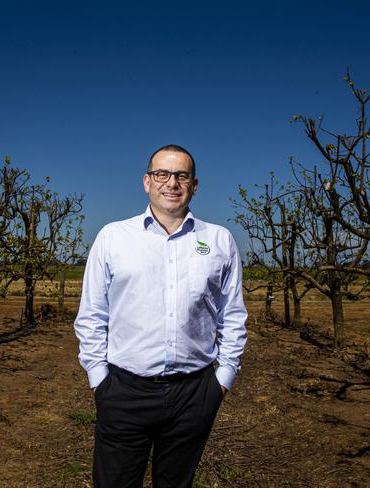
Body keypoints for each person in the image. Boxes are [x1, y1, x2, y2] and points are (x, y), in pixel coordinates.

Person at [74, 144, 248, 488]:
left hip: (195, 393)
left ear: (194, 185)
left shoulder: (219, 240)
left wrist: (222, 380)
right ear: (147, 182)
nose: (172, 183)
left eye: (181, 175)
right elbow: (92, 314)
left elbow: (233, 316)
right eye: (162, 174)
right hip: (124, 391)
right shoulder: (113, 237)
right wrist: (99, 380)